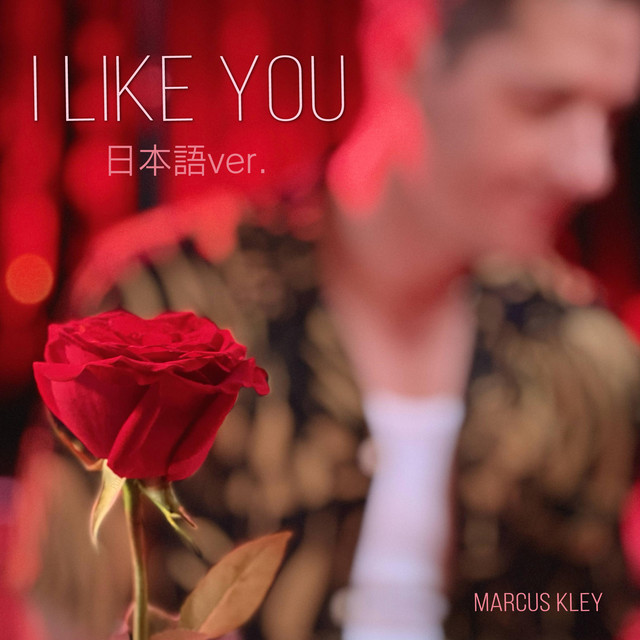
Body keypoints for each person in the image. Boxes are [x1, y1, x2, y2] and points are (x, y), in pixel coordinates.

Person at [11, 0, 640, 638]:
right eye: (541, 105)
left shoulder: (586, 356)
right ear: (407, 55)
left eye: (611, 119)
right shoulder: (167, 301)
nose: (593, 170)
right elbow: (63, 608)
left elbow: (583, 613)